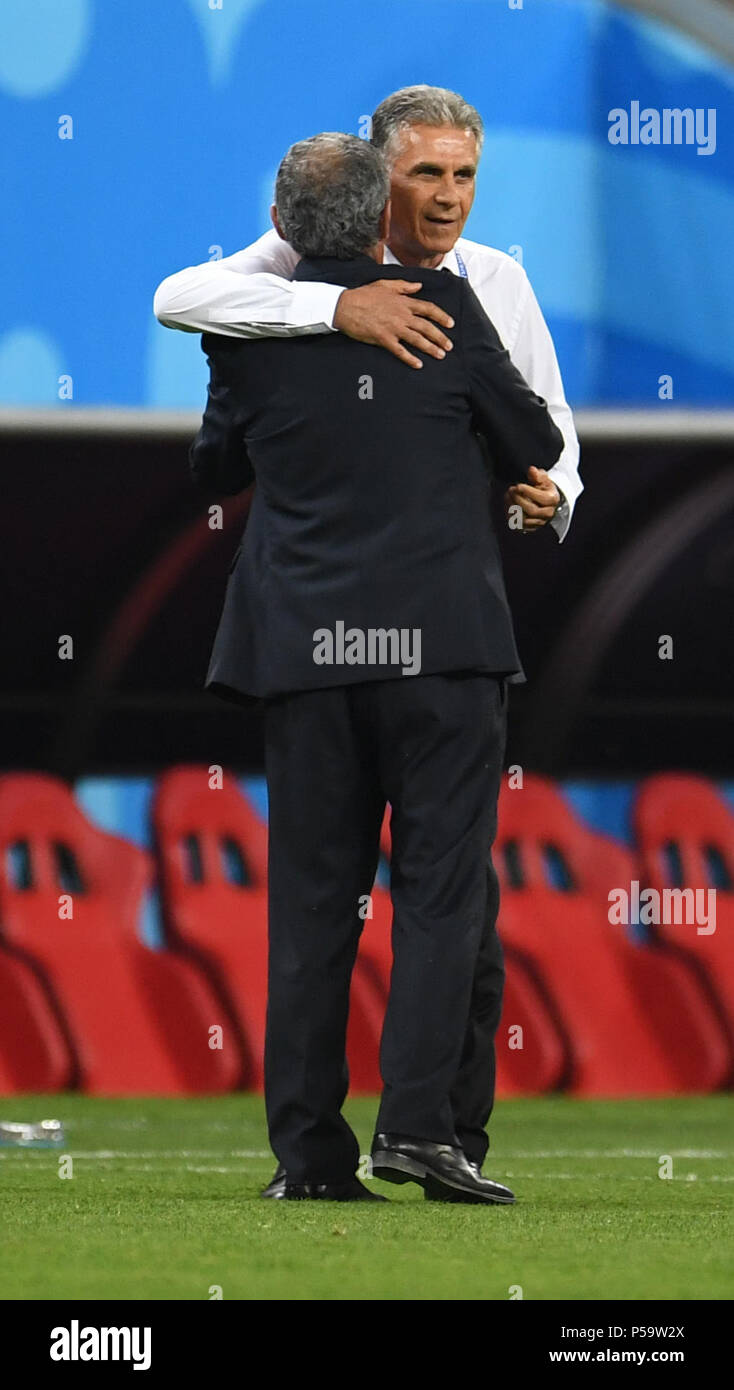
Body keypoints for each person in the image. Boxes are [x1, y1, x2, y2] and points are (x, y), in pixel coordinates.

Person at [189, 131, 563, 1203]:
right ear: (379, 209)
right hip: (438, 651)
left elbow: (213, 464)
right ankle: (417, 1131)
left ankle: (306, 1159)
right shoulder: (446, 313)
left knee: (310, 907)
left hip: (303, 658)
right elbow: (529, 433)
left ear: (284, 222)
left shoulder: (241, 336)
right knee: (441, 897)